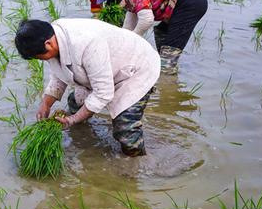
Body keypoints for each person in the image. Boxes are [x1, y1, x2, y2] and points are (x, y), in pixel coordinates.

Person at [14, 18, 160, 156]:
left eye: (39, 57)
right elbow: (59, 74)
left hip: (135, 68)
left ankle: (137, 163)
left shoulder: (86, 42)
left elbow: (103, 93)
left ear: (48, 44)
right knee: (75, 102)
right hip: (103, 69)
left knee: (125, 128)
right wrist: (45, 104)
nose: (42, 60)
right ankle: (83, 136)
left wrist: (72, 120)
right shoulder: (51, 37)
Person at [95, 0, 208, 75]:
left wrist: (132, 40)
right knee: (161, 32)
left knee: (169, 54)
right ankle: (164, 66)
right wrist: (120, 44)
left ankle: (168, 84)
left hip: (189, 2)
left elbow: (147, 20)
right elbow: (129, 23)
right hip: (186, 1)